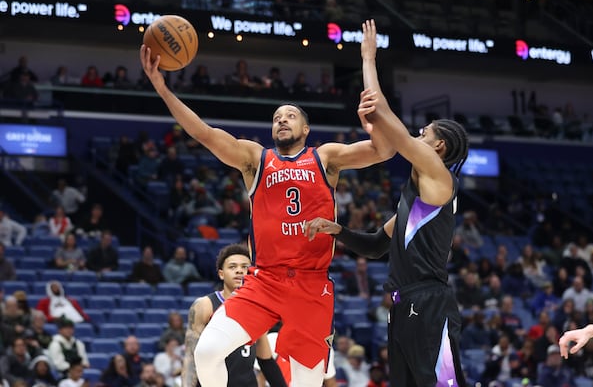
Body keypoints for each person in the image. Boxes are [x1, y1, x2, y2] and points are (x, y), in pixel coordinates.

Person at [140, 38, 392, 387]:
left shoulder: (326, 157)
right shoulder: (256, 159)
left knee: (307, 383)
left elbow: (385, 150)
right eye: (276, 118)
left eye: (290, 116)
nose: (282, 120)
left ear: (306, 129)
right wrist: (162, 89)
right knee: (207, 352)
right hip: (265, 281)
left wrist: (373, 117)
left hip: (311, 285)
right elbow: (204, 134)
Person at [304, 20, 469, 386]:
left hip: (428, 304)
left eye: (423, 133)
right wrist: (339, 230)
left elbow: (384, 115)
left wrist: (367, 59)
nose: (416, 135)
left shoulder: (440, 177)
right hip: (401, 305)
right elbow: (378, 244)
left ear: (438, 147)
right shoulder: (414, 198)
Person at [181, 243, 286, 387]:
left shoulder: (258, 308)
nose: (239, 271)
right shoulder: (205, 305)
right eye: (232, 267)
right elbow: (191, 356)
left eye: (245, 267)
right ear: (221, 274)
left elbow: (266, 360)